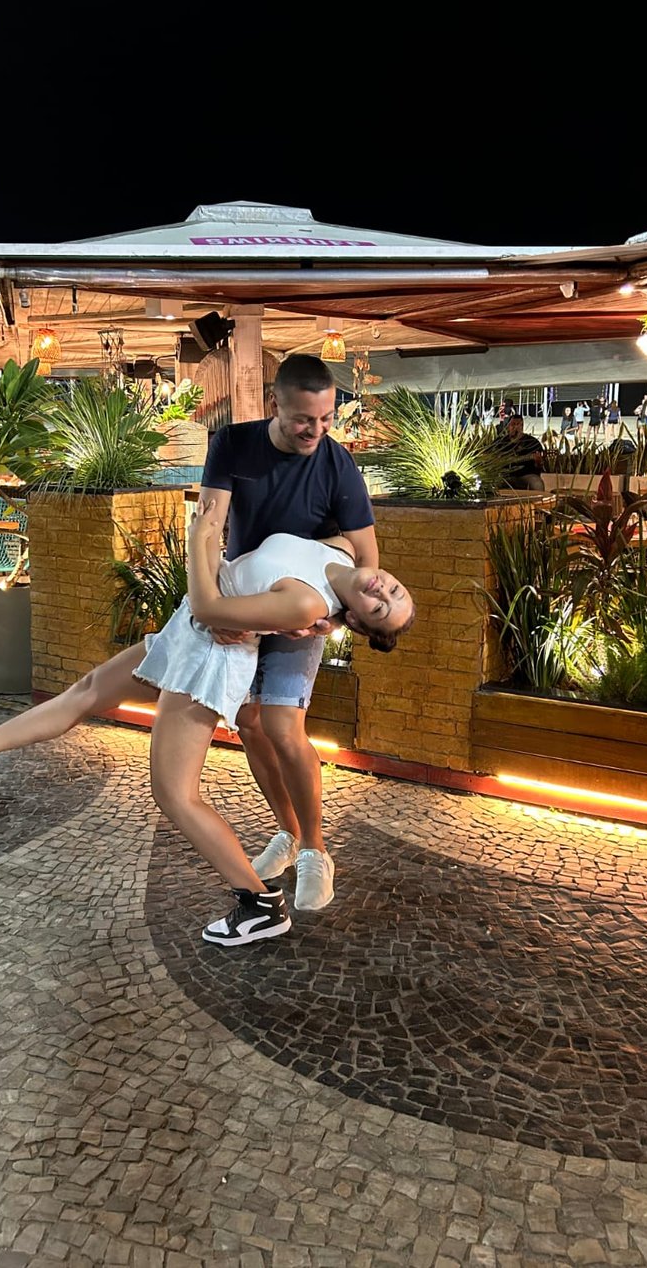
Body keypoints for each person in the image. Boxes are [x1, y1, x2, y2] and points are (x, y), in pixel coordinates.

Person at [0, 503, 415, 947]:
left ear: (361, 621)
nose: (383, 591)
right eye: (393, 590)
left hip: (207, 658)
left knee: (174, 794)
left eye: (380, 607)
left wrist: (200, 539)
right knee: (88, 691)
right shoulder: (340, 552)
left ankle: (259, 904)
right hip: (188, 635)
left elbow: (214, 606)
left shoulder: (307, 602)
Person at [195, 354, 381, 912]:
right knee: (249, 723)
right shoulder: (232, 444)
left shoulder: (338, 464)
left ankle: (316, 851)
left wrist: (338, 619)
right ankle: (288, 832)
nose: (316, 431)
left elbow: (368, 562)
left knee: (281, 724)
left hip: (306, 609)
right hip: (246, 601)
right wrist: (216, 607)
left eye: (326, 418)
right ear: (276, 404)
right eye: (305, 419)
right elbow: (209, 527)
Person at [495, 414, 545, 490]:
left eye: (518, 424)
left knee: (537, 484)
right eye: (513, 424)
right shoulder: (500, 442)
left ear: (522, 427)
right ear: (508, 427)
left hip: (526, 475)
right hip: (505, 476)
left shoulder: (532, 442)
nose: (515, 427)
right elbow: (491, 455)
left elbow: (539, 465)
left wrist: (539, 462)